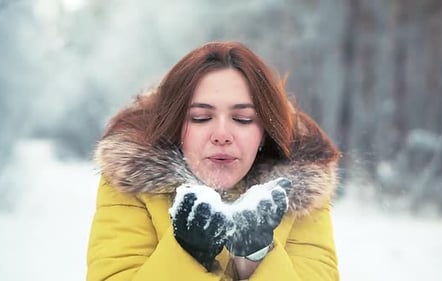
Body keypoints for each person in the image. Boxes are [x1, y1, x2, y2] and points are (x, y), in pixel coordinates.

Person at [87, 41, 341, 281]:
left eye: (242, 119)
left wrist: (256, 259)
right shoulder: (132, 182)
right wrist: (188, 254)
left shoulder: (300, 191)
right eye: (200, 117)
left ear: (265, 131)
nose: (221, 135)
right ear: (176, 127)